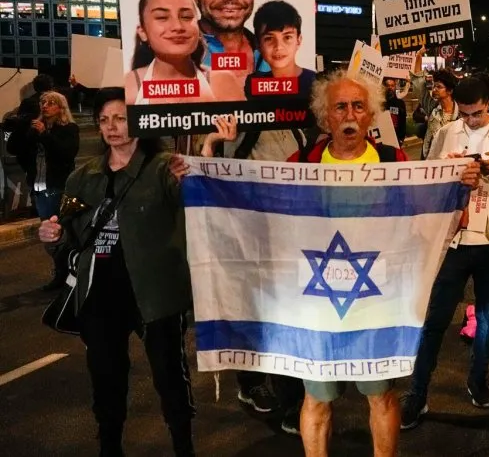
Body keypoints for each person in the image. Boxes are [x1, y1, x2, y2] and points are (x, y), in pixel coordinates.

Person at [286, 69, 449, 457]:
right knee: (317, 398)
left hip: (376, 303)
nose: (349, 114)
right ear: (325, 117)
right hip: (319, 305)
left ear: (372, 116)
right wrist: (207, 164)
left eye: (359, 106)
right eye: (340, 106)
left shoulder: (394, 162)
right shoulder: (301, 163)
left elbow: (422, 220)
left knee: (381, 396)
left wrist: (458, 183)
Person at [37, 87, 194, 456]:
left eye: (121, 118)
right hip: (100, 295)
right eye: (104, 120)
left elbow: (199, 211)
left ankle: (184, 446)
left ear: (139, 120)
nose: (112, 127)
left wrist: (196, 168)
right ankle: (110, 446)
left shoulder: (163, 168)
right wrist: (52, 236)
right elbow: (69, 237)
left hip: (155, 295)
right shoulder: (83, 177)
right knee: (106, 381)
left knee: (170, 377)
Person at [401, 76, 489, 428]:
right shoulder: (447, 133)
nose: (469, 120)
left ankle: (478, 380)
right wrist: (451, 173)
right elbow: (430, 180)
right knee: (435, 319)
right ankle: (417, 392)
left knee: (486, 317)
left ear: (488, 103)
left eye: (476, 113)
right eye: (464, 113)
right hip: (453, 240)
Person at [198, 112, 316, 433]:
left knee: (286, 326)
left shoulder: (298, 130)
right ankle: (250, 382)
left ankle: (294, 401)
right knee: (253, 319)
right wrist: (212, 141)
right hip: (250, 242)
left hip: (289, 244)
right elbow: (209, 174)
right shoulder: (240, 128)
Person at [9, 90, 79, 291]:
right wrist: (24, 125)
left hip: (58, 187)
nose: (45, 106)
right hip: (38, 187)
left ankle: (66, 273)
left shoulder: (68, 128)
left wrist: (45, 135)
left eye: (51, 102)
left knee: (60, 233)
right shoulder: (34, 127)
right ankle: (62, 272)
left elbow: (67, 154)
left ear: (60, 107)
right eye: (43, 102)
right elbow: (14, 148)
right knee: (49, 235)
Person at [124, 0, 238, 104]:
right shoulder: (129, 86)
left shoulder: (222, 82)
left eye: (186, 17)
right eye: (162, 17)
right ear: (142, 31)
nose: (177, 26)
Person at [242, 0, 317, 101]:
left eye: (287, 37)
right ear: (259, 45)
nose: (278, 47)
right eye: (269, 38)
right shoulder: (252, 83)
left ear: (298, 41)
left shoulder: (315, 83)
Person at [421, 69, 460, 159]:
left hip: (451, 161)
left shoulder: (460, 114)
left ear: (449, 91)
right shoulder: (432, 107)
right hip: (431, 161)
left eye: (439, 87)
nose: (434, 89)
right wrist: (418, 56)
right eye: (434, 86)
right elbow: (420, 87)